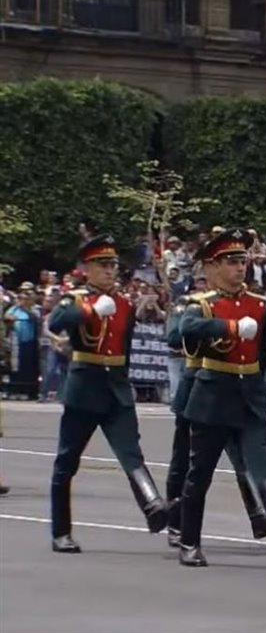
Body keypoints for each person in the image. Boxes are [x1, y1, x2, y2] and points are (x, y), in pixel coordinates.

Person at [177, 229, 266, 567]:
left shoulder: (259, 305)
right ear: (213, 266)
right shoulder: (201, 305)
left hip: (250, 394)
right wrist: (227, 329)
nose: (240, 268)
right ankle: (189, 541)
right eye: (232, 262)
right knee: (201, 473)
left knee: (263, 465)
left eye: (243, 261)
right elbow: (187, 329)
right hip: (213, 394)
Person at [48, 235, 169, 553]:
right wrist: (88, 310)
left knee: (131, 453)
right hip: (84, 387)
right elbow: (57, 322)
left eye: (113, 265)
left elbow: (126, 346)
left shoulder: (125, 304)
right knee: (67, 461)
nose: (109, 270)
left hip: (115, 387)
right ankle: (61, 531)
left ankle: (153, 505)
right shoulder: (73, 299)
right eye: (102, 265)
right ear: (86, 268)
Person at [164, 279, 266, 551]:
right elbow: (176, 337)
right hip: (196, 387)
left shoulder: (244, 304)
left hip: (233, 390)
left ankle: (258, 515)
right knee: (185, 462)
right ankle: (176, 522)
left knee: (242, 461)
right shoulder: (192, 306)